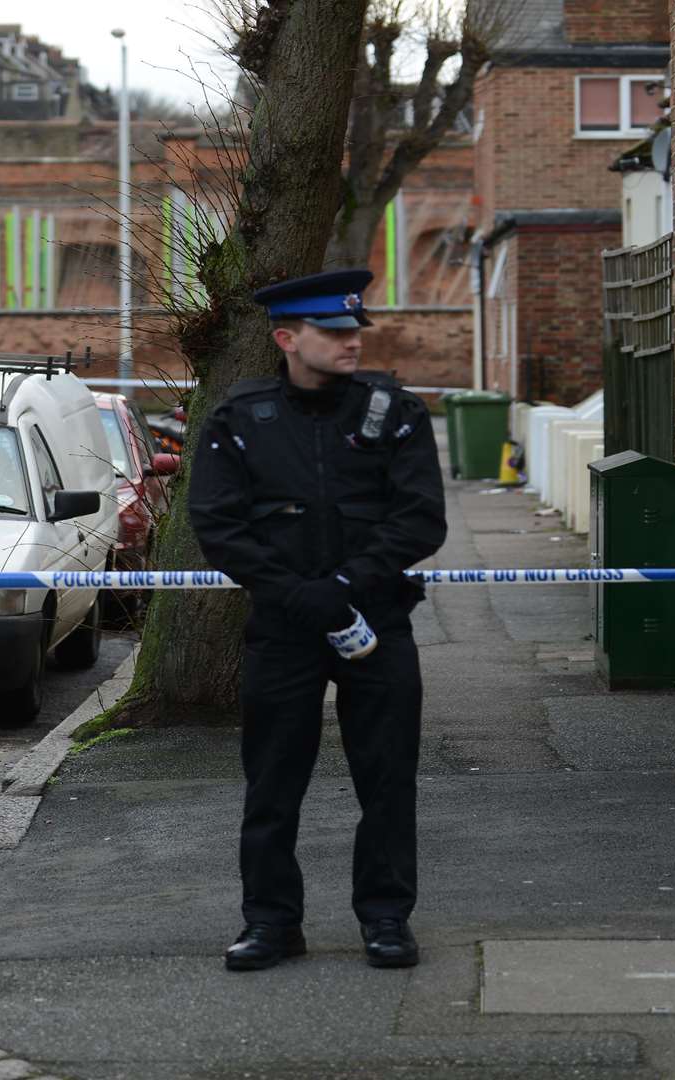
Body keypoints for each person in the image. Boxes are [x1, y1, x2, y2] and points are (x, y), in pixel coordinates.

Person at [187, 269, 447, 972]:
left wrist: (343, 585)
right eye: (332, 332)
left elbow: (420, 519)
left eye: (353, 329)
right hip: (284, 628)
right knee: (273, 783)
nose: (350, 342)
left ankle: (387, 919)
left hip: (377, 624)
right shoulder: (240, 419)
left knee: (387, 779)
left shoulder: (394, 412)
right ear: (287, 338)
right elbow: (218, 524)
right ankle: (271, 923)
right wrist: (299, 595)